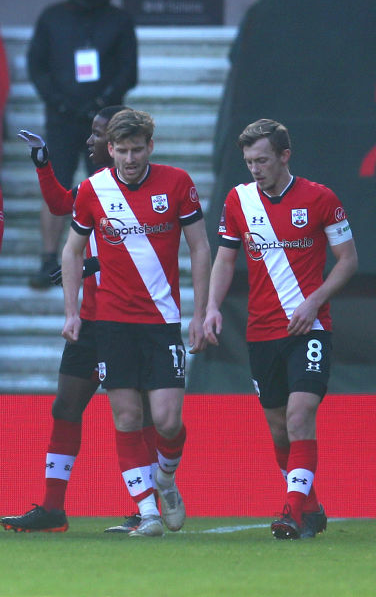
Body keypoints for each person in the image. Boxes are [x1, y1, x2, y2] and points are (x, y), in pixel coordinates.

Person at [0, 105, 159, 534]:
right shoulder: (93, 189)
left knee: (141, 416)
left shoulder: (150, 192)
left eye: (97, 134)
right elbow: (61, 206)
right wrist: (43, 164)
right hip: (90, 320)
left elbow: (141, 260)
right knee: (66, 406)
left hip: (129, 321)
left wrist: (91, 267)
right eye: (92, 134)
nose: (89, 141)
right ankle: (53, 507)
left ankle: (152, 504)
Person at [59, 109, 210, 537]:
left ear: (150, 147)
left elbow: (200, 248)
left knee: (166, 421)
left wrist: (201, 313)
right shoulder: (93, 190)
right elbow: (71, 251)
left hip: (162, 321)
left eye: (137, 150)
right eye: (122, 150)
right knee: (126, 417)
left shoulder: (177, 183)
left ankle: (165, 480)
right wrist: (72, 311)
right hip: (111, 322)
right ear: (110, 150)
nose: (129, 158)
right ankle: (147, 512)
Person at [204, 119, 356, 540]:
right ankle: (311, 507)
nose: (255, 168)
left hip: (309, 327)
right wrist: (211, 308)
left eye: (263, 160)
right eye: (249, 161)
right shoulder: (239, 200)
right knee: (278, 427)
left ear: (285, 156)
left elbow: (348, 260)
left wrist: (314, 300)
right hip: (261, 331)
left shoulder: (320, 198)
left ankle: (289, 511)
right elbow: (225, 259)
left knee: (299, 413)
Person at [26, 0, 137, 287]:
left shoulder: (119, 20)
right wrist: (58, 100)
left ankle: (107, 256)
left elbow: (129, 70)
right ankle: (49, 259)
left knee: (107, 188)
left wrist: (101, 101)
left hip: (105, 123)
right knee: (56, 187)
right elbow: (37, 65)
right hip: (61, 118)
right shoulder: (52, 17)